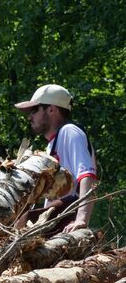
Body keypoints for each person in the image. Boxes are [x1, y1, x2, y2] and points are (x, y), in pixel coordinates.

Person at [14, 84, 98, 233]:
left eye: (34, 110)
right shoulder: (53, 143)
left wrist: (81, 219)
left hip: (67, 217)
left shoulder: (69, 132)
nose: (29, 117)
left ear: (52, 109)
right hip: (58, 216)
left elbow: (87, 175)